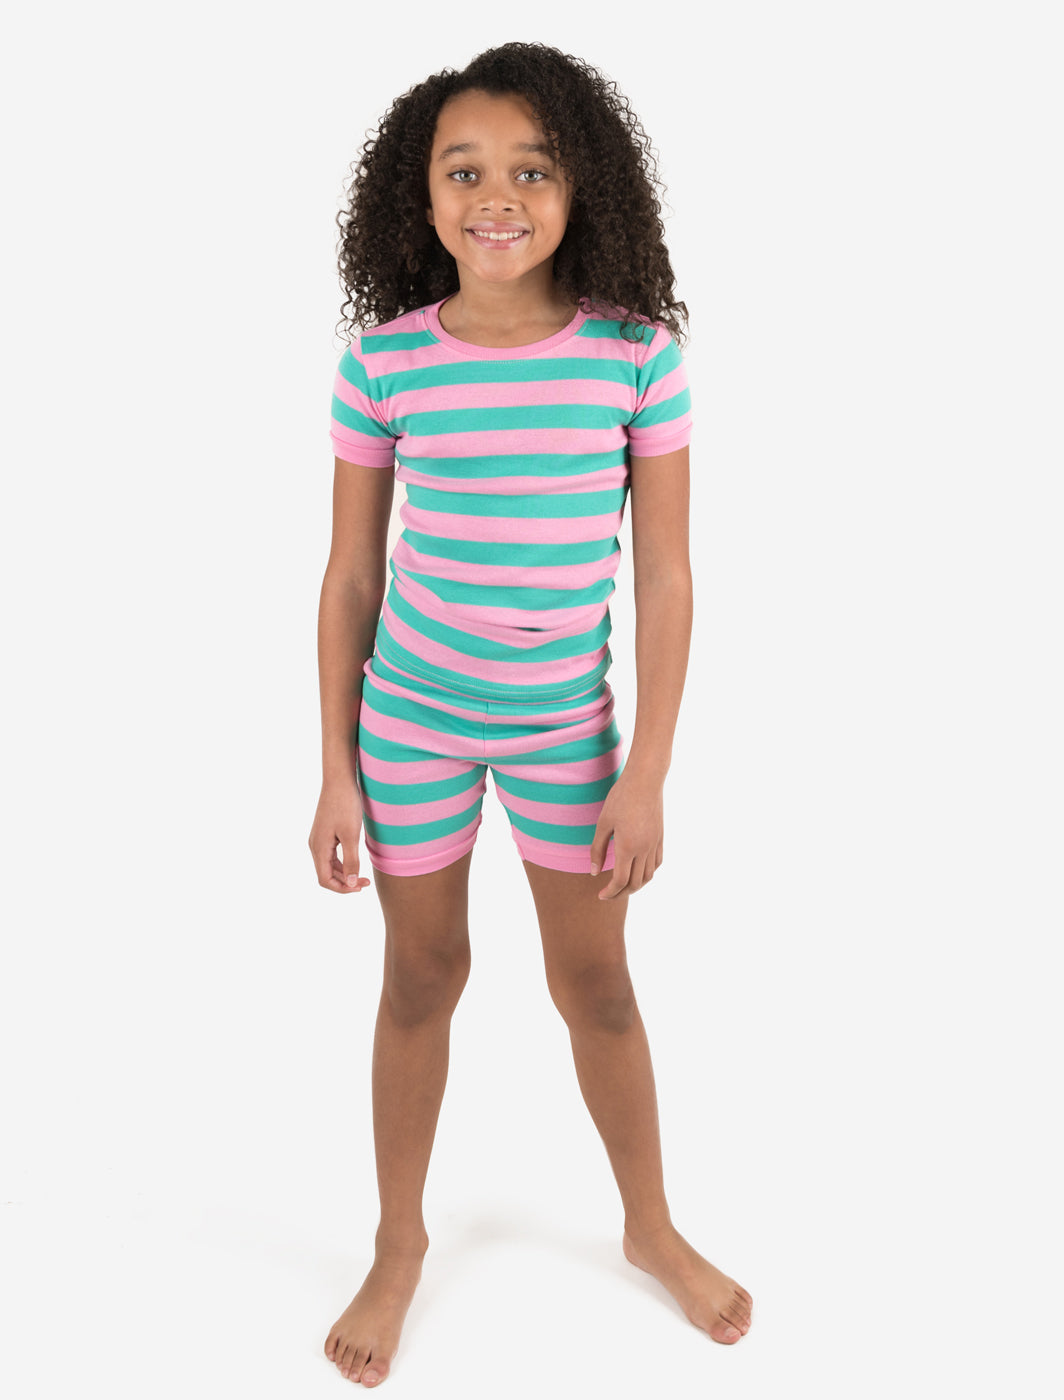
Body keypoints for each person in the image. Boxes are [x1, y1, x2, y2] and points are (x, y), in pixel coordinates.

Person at [309, 41, 753, 1387]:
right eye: (463, 171)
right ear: (420, 194)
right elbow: (351, 578)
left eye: (530, 170)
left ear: (580, 187)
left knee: (597, 985)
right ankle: (397, 1243)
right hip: (410, 720)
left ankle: (649, 1225)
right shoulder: (385, 361)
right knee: (420, 976)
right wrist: (334, 770)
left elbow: (667, 576)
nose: (494, 197)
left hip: (568, 731)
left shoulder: (636, 356)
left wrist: (647, 769)